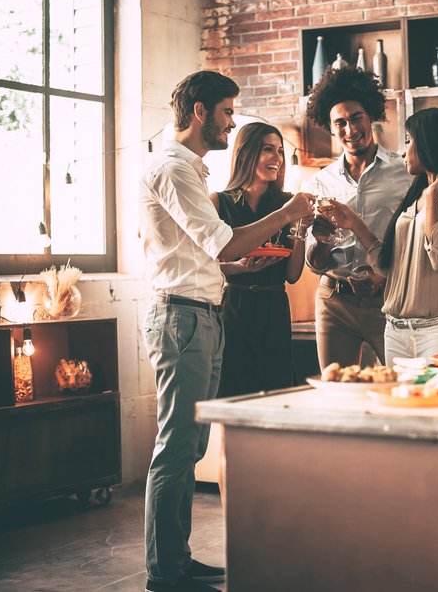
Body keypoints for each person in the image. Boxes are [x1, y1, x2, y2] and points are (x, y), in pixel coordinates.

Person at [139, 71, 313, 592]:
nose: (231, 122)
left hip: (205, 312)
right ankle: (164, 572)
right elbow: (223, 244)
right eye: (227, 112)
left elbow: (211, 256)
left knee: (191, 449)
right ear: (199, 112)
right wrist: (288, 212)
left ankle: (178, 558)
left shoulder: (188, 168)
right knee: (175, 447)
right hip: (182, 317)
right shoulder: (172, 168)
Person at [321, 107, 438, 365]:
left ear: (432, 143)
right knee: (398, 404)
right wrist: (354, 223)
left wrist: (433, 194)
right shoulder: (416, 195)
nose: (404, 151)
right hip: (395, 331)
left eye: (410, 141)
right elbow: (390, 265)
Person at [303, 67, 411, 368]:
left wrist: (383, 276)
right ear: (330, 127)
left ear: (370, 116)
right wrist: (321, 241)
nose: (350, 129)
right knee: (336, 391)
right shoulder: (319, 183)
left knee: (400, 386)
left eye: (356, 118)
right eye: (340, 122)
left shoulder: (403, 173)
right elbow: (314, 263)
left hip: (388, 301)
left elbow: (413, 241)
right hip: (334, 302)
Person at [210, 122, 312, 397]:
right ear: (246, 152)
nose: (277, 158)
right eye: (268, 149)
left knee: (277, 387)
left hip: (274, 306)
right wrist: (237, 268)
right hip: (233, 307)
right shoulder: (218, 203)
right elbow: (205, 265)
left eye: (279, 151)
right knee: (232, 389)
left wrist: (301, 228)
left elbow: (292, 274)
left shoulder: (288, 203)